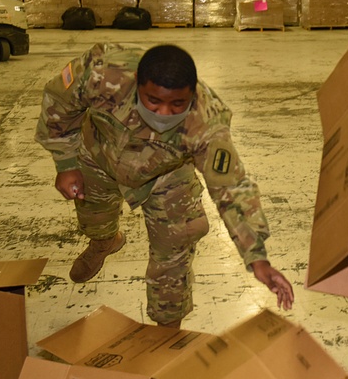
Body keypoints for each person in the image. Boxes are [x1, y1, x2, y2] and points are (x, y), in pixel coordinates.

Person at [35, 42, 294, 328]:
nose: (164, 113)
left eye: (177, 104)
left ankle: (167, 334)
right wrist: (65, 163)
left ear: (191, 94)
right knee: (93, 216)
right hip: (100, 153)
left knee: (175, 252)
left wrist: (258, 258)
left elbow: (232, 187)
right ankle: (104, 240)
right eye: (153, 101)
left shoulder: (207, 122)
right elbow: (59, 103)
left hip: (167, 175)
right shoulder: (102, 73)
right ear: (137, 85)